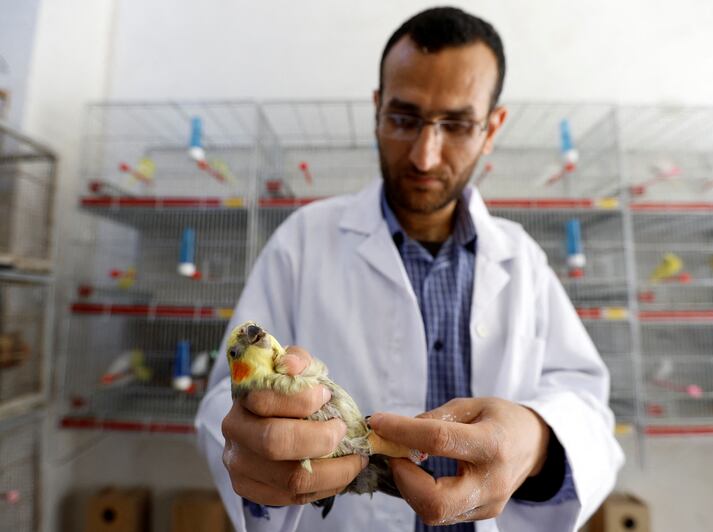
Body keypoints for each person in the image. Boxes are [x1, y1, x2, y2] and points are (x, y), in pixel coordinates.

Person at [196, 7, 624, 532]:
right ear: (377, 110)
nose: (425, 155)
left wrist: (537, 441)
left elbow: (588, 407)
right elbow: (224, 402)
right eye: (404, 119)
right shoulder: (302, 242)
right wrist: (257, 442)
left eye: (458, 124)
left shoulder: (523, 261)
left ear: (492, 128)